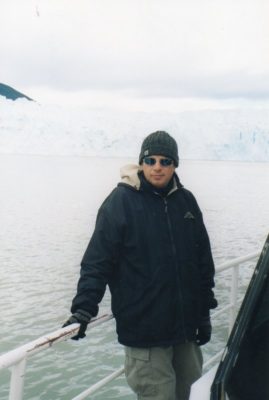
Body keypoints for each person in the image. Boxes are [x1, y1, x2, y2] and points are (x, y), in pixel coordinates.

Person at [63, 131, 217, 400]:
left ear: (175, 165)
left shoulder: (186, 201)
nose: (158, 167)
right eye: (151, 160)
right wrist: (84, 309)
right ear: (142, 163)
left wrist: (203, 314)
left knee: (193, 394)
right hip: (146, 333)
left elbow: (202, 260)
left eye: (165, 161)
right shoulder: (120, 202)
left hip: (185, 331)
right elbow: (97, 262)